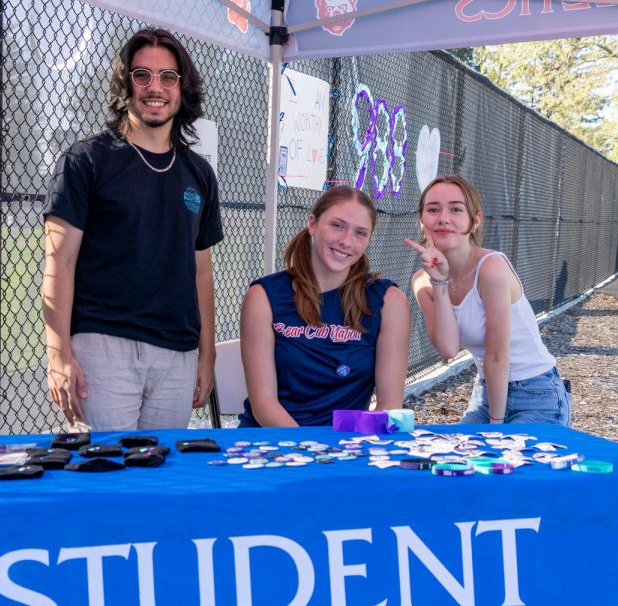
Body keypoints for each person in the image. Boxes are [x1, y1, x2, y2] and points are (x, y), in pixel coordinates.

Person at [42, 28, 222, 431]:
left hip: (177, 353)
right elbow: (60, 261)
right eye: (142, 75)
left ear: (182, 87)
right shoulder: (85, 161)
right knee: (105, 478)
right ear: (126, 84)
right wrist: (59, 354)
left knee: (160, 480)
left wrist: (206, 356)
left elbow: (202, 272)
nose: (154, 87)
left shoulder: (199, 174)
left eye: (167, 77)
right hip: (103, 346)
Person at [406, 175, 571, 426]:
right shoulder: (423, 281)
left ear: (475, 221)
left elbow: (497, 356)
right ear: (421, 221)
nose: (443, 218)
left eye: (456, 209)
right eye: (433, 209)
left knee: (506, 460)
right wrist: (439, 282)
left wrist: (496, 426)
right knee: (451, 460)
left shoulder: (491, 267)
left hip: (537, 392)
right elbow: (449, 348)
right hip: (487, 391)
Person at [239, 186, 410, 427]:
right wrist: (310, 455)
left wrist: (343, 454)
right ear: (312, 224)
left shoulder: (388, 301)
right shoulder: (263, 296)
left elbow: (389, 407)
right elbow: (264, 404)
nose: (346, 241)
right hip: (274, 441)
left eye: (360, 233)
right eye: (337, 225)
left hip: (346, 446)